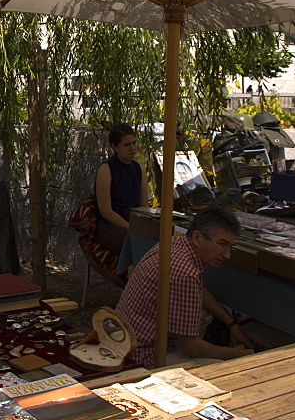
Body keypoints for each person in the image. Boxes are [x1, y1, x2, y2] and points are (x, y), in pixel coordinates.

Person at [116, 205, 254, 368]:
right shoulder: (186, 273)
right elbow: (191, 347)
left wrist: (231, 323)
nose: (227, 254)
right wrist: (232, 354)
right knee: (222, 368)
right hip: (141, 354)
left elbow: (198, 290)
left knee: (205, 315)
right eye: (221, 244)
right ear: (197, 238)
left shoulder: (174, 243)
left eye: (230, 247)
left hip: (121, 336)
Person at [94, 123, 148, 259]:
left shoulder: (139, 169)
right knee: (135, 242)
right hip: (111, 225)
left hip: (134, 222)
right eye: (127, 145)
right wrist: (131, 228)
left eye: (134, 143)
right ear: (114, 147)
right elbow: (106, 211)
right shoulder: (106, 170)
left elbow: (144, 206)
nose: (133, 148)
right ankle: (133, 278)